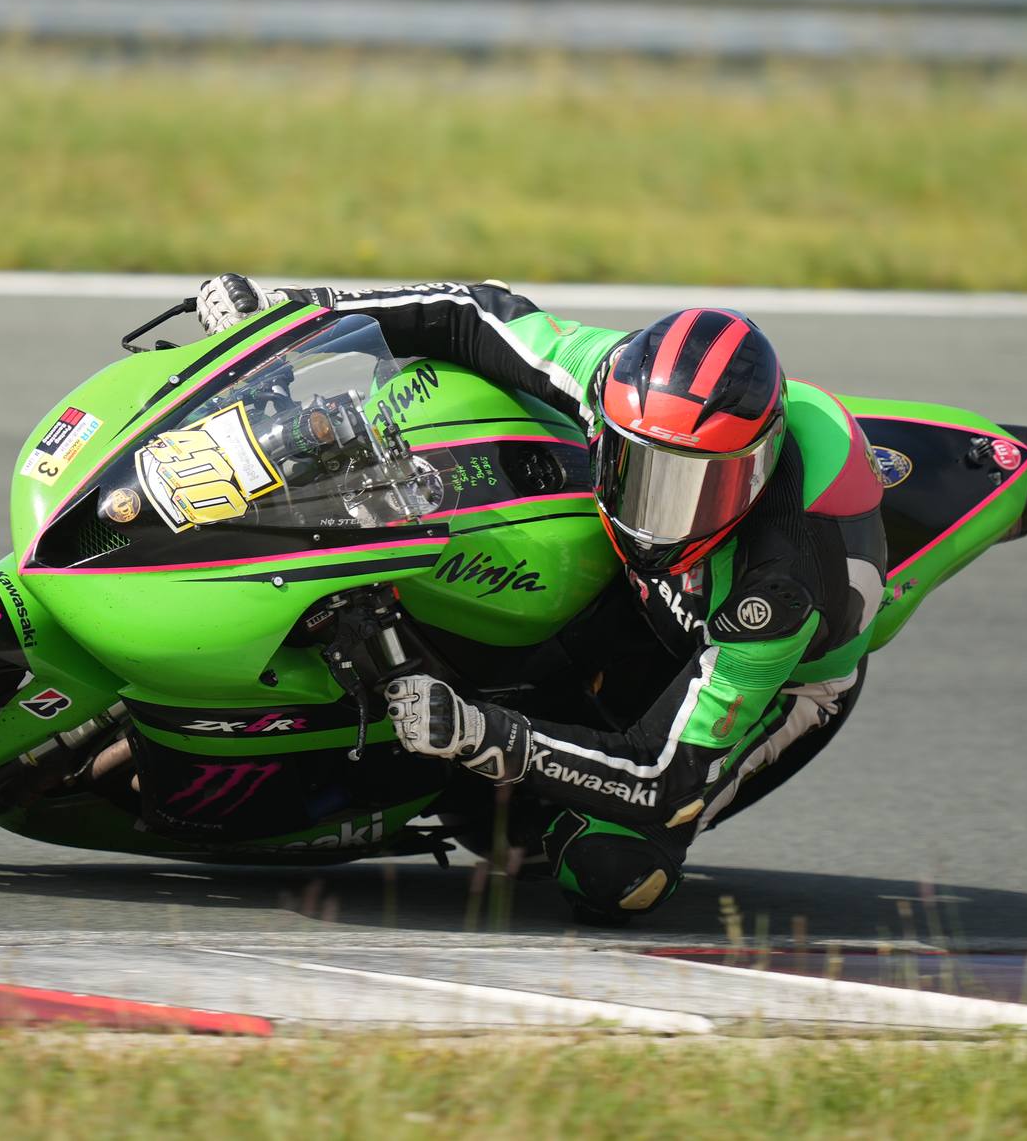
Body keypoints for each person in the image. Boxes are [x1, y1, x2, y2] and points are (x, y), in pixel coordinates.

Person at [195, 275, 887, 922]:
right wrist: (297, 314)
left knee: (610, 867)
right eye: (639, 469)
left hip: (776, 683)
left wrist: (486, 735)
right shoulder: (617, 379)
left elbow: (661, 771)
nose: (659, 515)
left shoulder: (780, 589)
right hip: (643, 597)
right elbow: (473, 313)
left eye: (698, 487)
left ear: (756, 471)